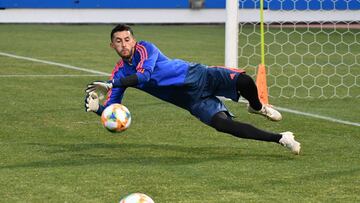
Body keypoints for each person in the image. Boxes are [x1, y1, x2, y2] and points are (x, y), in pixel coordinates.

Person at [85, 24, 301, 155]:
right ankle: (281, 138)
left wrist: (112, 84)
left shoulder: (145, 48)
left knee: (244, 81)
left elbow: (144, 76)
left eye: (127, 39)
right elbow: (113, 108)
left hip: (199, 75)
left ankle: (257, 107)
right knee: (223, 125)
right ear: (112, 46)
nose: (124, 44)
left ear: (133, 40)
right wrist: (98, 109)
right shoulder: (119, 74)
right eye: (118, 41)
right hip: (191, 100)